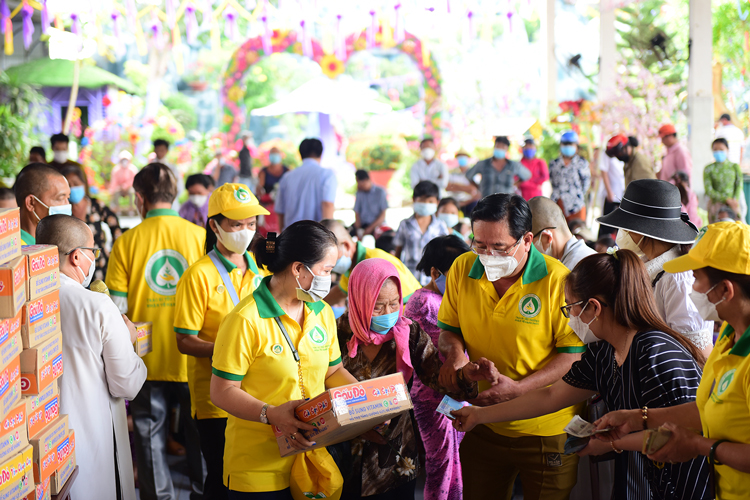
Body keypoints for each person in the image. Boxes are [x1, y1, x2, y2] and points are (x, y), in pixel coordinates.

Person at [452, 249, 711, 500]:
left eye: (570, 308)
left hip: (683, 483)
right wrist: (480, 415)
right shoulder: (604, 352)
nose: (569, 318)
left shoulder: (655, 352)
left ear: (594, 307)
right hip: (642, 478)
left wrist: (611, 443)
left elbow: (681, 430)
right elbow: (551, 396)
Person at [436, 193, 585, 500]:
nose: (488, 254)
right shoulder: (463, 269)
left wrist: (518, 388)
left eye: (499, 247)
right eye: (480, 245)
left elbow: (571, 357)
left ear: (527, 240)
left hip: (546, 428)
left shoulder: (559, 281)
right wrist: (455, 357)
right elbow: (449, 330)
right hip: (483, 421)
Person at [595, 221, 750, 500]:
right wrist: (638, 418)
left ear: (726, 290)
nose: (692, 287)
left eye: (697, 278)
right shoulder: (729, 336)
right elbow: (707, 409)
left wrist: (700, 446)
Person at [210, 221, 359, 498]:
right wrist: (272, 414)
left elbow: (332, 370)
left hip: (310, 456)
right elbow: (222, 391)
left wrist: (364, 399)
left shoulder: (321, 312)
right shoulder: (245, 319)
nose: (331, 279)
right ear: (299, 269)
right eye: (326, 270)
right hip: (257, 467)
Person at [335, 258, 495, 500]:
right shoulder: (336, 333)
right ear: (359, 300)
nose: (388, 313)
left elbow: (438, 379)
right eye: (378, 307)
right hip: (344, 450)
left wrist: (465, 376)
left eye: (394, 304)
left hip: (394, 455)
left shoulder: (409, 334)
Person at [106, 163, 206, 500]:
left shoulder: (125, 242)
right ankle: (202, 492)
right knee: (200, 434)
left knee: (149, 435)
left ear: (139, 198)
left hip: (145, 357)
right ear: (175, 195)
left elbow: (116, 311)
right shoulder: (200, 236)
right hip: (195, 355)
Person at [37, 215, 147, 500]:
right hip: (91, 432)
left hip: (40, 434)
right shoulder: (97, 305)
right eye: (93, 251)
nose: (94, 259)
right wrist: (131, 340)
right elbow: (126, 385)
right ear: (76, 257)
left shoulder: (30, 299)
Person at [175, 184, 270, 500]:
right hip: (216, 400)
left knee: (250, 478)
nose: (245, 231)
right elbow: (184, 341)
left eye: (251, 224)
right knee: (220, 477)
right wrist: (229, 350)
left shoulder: (261, 271)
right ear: (214, 225)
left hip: (258, 394)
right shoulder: (198, 275)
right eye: (236, 224)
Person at [597, 179, 713, 359]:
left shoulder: (677, 278)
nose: (622, 232)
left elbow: (698, 354)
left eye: (626, 226)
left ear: (643, 230)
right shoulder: (647, 264)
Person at [404, 236, 472, 500]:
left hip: (452, 393)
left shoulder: (445, 298)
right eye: (456, 275)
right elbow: (437, 356)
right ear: (435, 272)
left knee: (452, 461)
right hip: (435, 397)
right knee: (441, 465)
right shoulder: (424, 303)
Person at [321, 219, 420, 306]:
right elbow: (339, 292)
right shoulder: (352, 268)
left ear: (346, 246)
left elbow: (407, 303)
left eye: (330, 258)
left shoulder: (377, 263)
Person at [61, 164, 123, 282]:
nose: (72, 187)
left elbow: (115, 225)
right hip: (73, 270)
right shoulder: (63, 210)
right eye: (69, 185)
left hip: (100, 264)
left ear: (84, 184)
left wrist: (116, 252)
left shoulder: (96, 205)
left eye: (76, 183)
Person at [394, 181, 450, 285]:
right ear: (414, 199)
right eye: (422, 200)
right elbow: (398, 253)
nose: (426, 204)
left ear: (437, 202)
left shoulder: (441, 226)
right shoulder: (405, 224)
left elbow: (446, 254)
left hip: (433, 281)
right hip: (408, 279)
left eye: (430, 201)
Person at [275, 138, 336, 230]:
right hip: (316, 238)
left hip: (290, 236)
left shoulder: (287, 177)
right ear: (321, 154)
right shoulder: (327, 174)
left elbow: (280, 211)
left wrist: (282, 237)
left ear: (301, 154)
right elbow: (327, 204)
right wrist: (328, 238)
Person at [529, 196, 596, 270]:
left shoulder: (573, 268)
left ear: (547, 237)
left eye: (530, 243)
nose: (529, 251)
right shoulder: (577, 258)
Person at [13, 163, 71, 245]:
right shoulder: (15, 249)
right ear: (31, 203)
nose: (67, 205)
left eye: (68, 198)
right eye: (60, 198)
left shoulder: (50, 241)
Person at [465, 136, 531, 199]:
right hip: (487, 201)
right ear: (494, 147)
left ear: (507, 149)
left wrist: (515, 184)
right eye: (498, 146)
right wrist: (479, 187)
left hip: (507, 203)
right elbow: (468, 175)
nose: (500, 148)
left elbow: (527, 175)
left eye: (503, 147)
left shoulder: (513, 165)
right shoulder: (483, 164)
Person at [549, 130, 591, 221]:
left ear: (577, 146)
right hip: (557, 206)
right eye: (565, 144)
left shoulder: (582, 163)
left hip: (576, 206)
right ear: (560, 145)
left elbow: (586, 183)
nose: (568, 146)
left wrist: (576, 195)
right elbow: (553, 182)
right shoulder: (554, 163)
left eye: (571, 144)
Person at [704, 137, 743, 223]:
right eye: (715, 149)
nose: (718, 152)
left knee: (736, 229)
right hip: (716, 206)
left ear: (727, 149)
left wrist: (734, 200)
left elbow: (739, 185)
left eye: (721, 149)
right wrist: (726, 199)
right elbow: (709, 190)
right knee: (717, 231)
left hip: (733, 204)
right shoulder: (709, 169)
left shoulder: (734, 167)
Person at [256, 147, 289, 233]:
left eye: (276, 154)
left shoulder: (287, 171)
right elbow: (259, 188)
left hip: (284, 206)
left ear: (281, 155)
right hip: (268, 206)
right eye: (272, 154)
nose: (274, 156)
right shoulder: (264, 172)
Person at [598, 142, 625, 237]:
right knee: (607, 226)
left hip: (623, 195)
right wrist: (609, 192)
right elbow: (603, 171)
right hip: (612, 195)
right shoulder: (607, 154)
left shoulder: (624, 156)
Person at [352, 170, 387, 237]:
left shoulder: (380, 192)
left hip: (377, 225)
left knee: (385, 238)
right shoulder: (359, 193)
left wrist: (370, 229)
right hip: (363, 225)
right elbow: (357, 212)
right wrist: (358, 229)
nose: (358, 185)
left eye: (359, 183)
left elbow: (383, 215)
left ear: (365, 180)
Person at [154, 139, 183, 211]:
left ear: (167, 150)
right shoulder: (150, 167)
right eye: (158, 149)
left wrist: (171, 196)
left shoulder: (172, 168)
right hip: (153, 200)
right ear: (154, 150)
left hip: (170, 200)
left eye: (162, 150)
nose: (160, 152)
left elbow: (179, 185)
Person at [109, 150, 138, 215]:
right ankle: (117, 209)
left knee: (131, 192)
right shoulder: (116, 170)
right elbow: (114, 181)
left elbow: (134, 181)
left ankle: (131, 209)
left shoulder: (132, 169)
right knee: (116, 192)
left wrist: (126, 186)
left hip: (129, 188)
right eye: (123, 159)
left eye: (126, 159)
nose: (124, 161)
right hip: (119, 188)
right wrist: (114, 190)